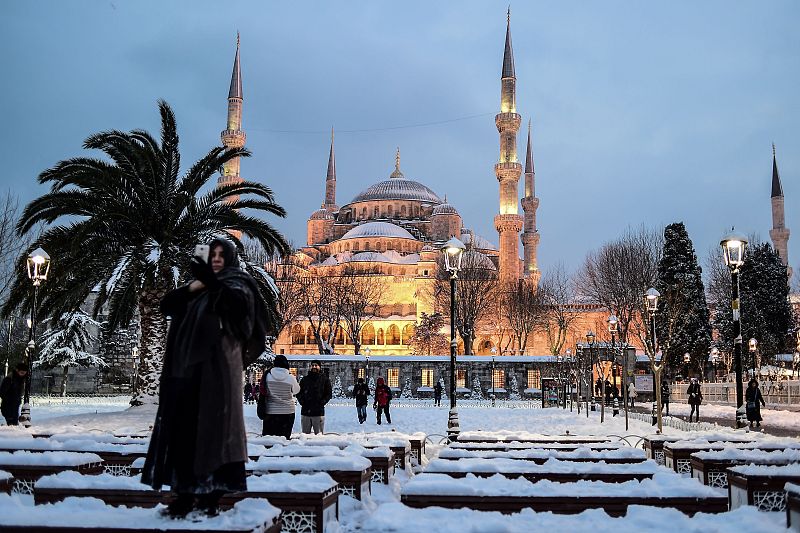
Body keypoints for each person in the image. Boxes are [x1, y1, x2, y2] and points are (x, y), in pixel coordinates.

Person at [142, 238, 271, 518]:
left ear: (231, 258)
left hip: (218, 371)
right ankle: (185, 494)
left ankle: (211, 496)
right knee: (184, 429)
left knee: (216, 430)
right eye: (212, 254)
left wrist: (211, 283)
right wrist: (196, 285)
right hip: (186, 371)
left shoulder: (239, 283)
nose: (216, 259)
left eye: (222, 254)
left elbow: (239, 311)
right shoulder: (198, 288)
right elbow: (167, 305)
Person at [261, 354, 300, 439]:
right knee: (284, 439)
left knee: (269, 439)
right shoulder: (291, 377)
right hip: (288, 412)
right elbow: (296, 391)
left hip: (271, 411)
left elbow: (264, 391)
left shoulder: (267, 376)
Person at [298, 360, 332, 434]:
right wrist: (302, 401)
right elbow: (299, 392)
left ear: (320, 367)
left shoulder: (325, 380)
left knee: (319, 436)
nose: (314, 367)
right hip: (306, 411)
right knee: (304, 436)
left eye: (316, 365)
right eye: (312, 365)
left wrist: (322, 402)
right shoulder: (304, 379)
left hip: (318, 412)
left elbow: (329, 394)